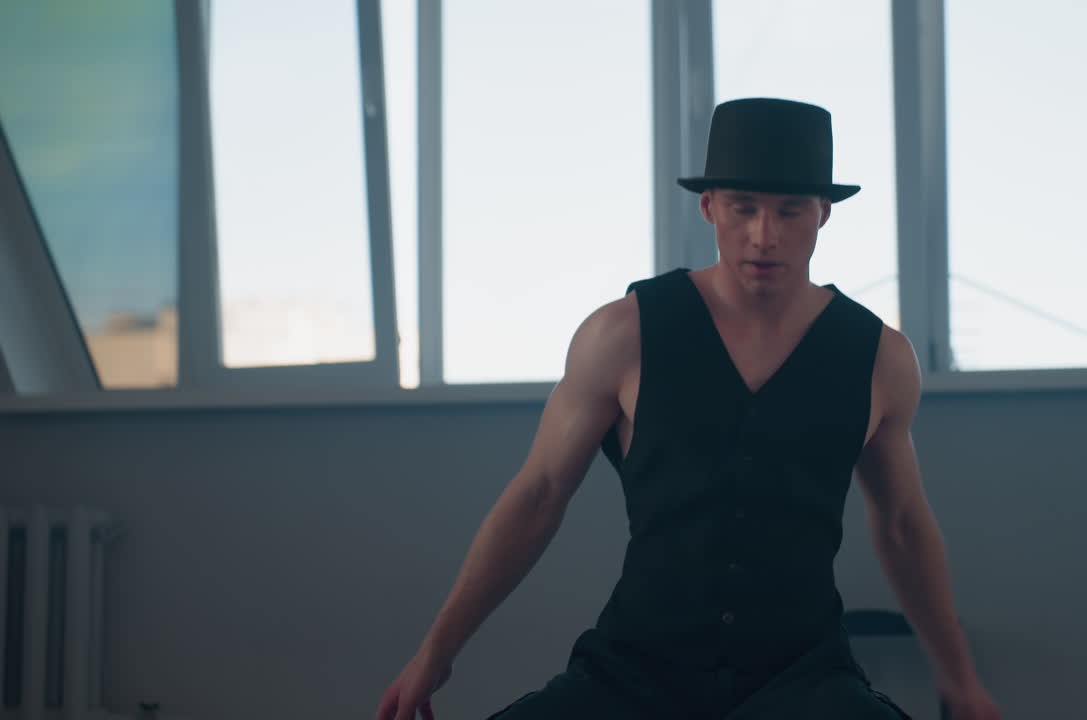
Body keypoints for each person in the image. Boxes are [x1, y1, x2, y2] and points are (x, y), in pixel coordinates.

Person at [376, 98, 1001, 720]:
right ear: (709, 207)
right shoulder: (622, 334)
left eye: (789, 211)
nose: (764, 235)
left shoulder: (879, 357)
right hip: (631, 673)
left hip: (803, 679)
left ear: (823, 214)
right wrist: (437, 651)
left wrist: (960, 681)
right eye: (743, 208)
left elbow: (902, 524)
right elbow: (538, 494)